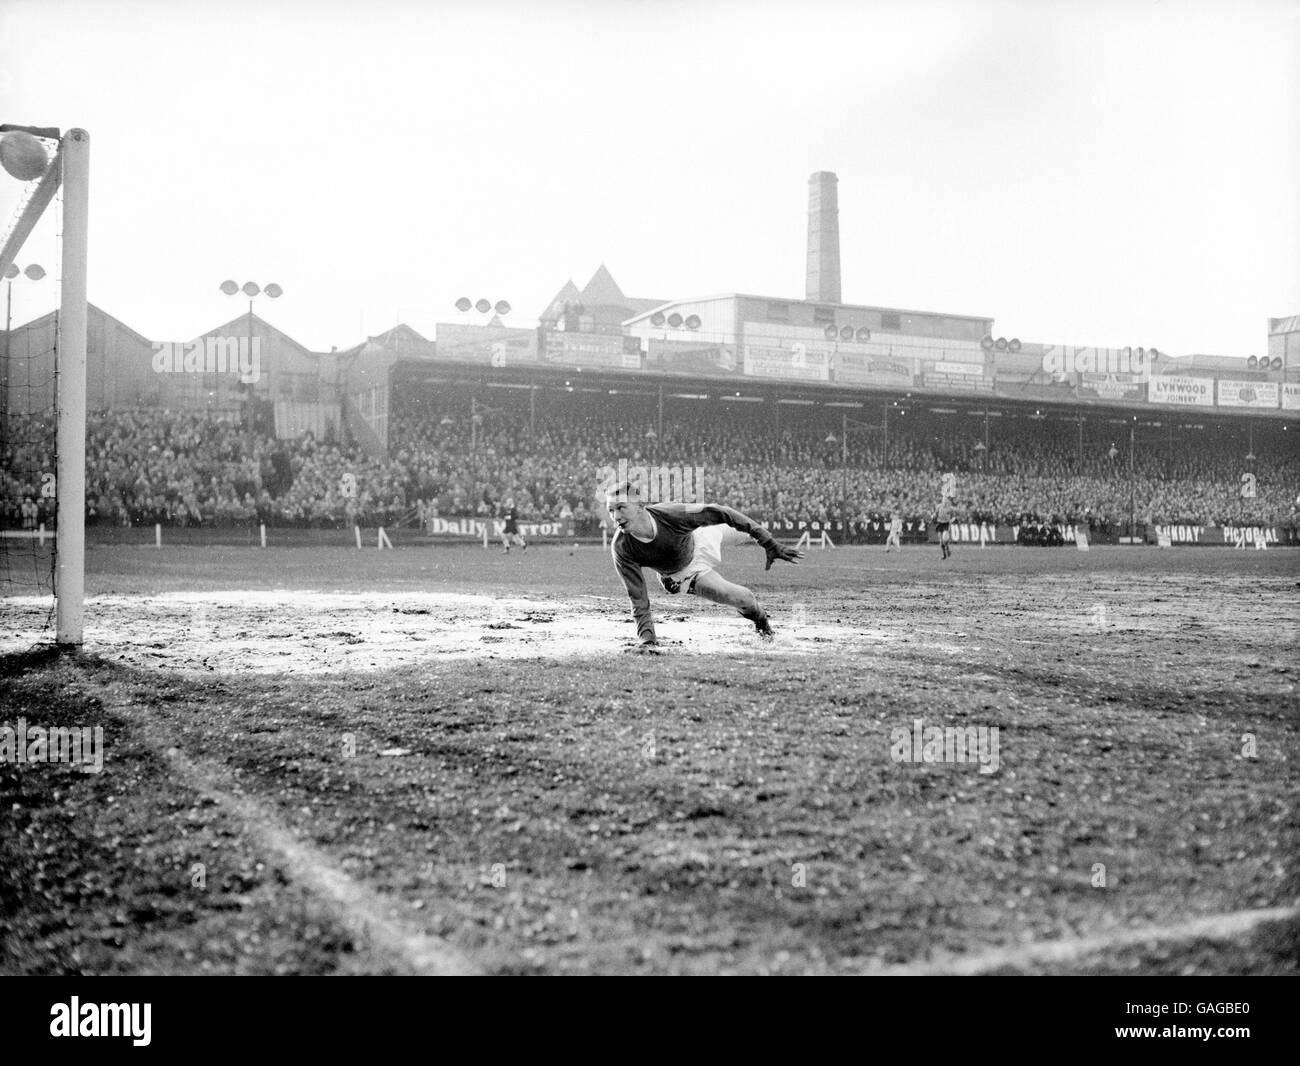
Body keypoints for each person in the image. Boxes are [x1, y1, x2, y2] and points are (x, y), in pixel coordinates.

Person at [605, 481, 802, 646]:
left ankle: (769, 543)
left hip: (703, 536)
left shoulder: (672, 514)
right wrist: (647, 641)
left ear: (640, 506)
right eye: (611, 510)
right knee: (744, 599)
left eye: (621, 507)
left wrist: (769, 543)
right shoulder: (622, 547)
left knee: (752, 528)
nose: (615, 517)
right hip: (685, 572)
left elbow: (721, 511)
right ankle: (763, 626)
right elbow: (638, 598)